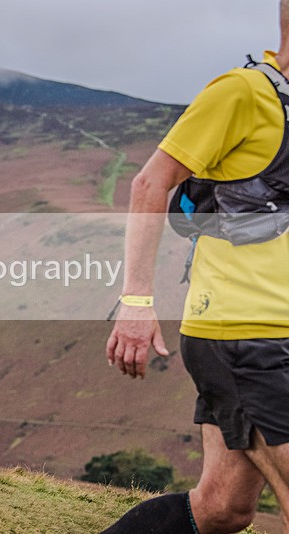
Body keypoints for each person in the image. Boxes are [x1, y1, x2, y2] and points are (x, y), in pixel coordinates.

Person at [104, 5, 289, 532]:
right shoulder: (242, 93)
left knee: (222, 507)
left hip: (276, 338)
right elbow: (149, 183)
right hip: (244, 336)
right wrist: (137, 301)